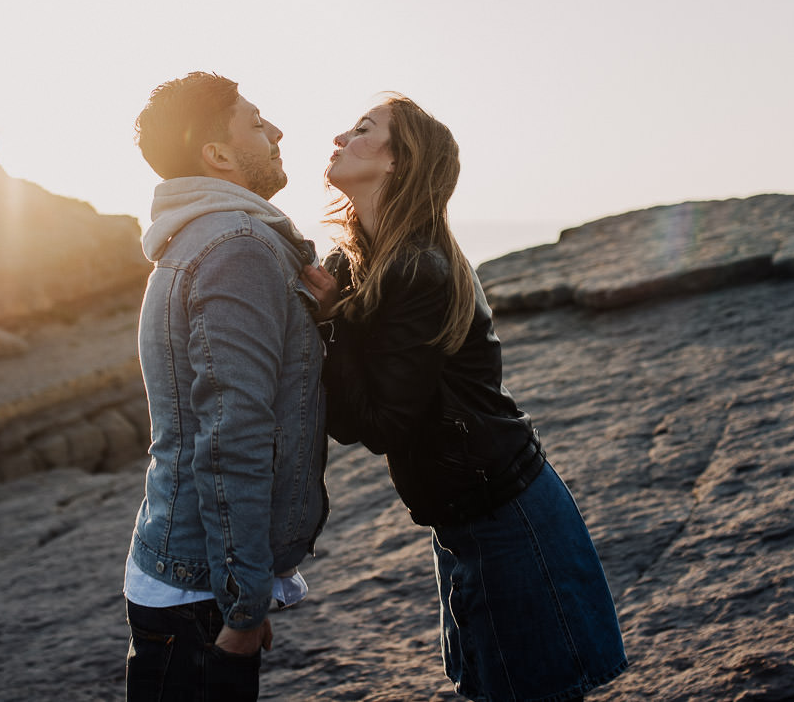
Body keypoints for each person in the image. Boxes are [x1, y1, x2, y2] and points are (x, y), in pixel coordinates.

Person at [316, 95, 629, 702]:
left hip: (505, 517)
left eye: (362, 130)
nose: (338, 137)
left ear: (396, 163)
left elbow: (381, 424)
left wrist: (330, 326)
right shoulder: (362, 264)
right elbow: (360, 414)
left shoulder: (417, 270)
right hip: (468, 515)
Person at [124, 72, 330, 702]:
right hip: (201, 587)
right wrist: (244, 602)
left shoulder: (202, 237)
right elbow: (232, 434)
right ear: (216, 154)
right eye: (256, 123)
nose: (277, 133)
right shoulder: (236, 246)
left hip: (191, 568)